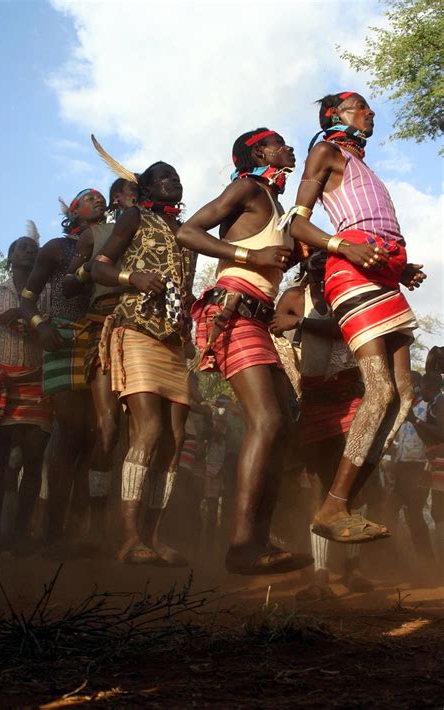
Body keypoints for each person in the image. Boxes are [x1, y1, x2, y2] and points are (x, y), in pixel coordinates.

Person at [285, 91, 426, 544]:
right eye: (360, 106)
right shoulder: (324, 152)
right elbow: (298, 224)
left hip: (383, 274)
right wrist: (345, 247)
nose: (370, 113)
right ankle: (334, 507)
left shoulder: (362, 165)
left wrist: (400, 267)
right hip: (351, 273)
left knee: (404, 396)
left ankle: (337, 503)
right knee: (380, 389)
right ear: (334, 115)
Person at [177, 128, 313, 575]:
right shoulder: (247, 187)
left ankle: (257, 538)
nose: (289, 147)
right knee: (269, 420)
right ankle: (242, 546)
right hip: (230, 310)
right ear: (258, 151)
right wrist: (250, 258)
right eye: (279, 142)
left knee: (284, 429)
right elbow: (187, 232)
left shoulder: (276, 207)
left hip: (253, 317)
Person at [91, 161, 196, 566]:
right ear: (148, 187)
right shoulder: (136, 216)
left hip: (174, 340)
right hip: (135, 329)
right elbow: (100, 265)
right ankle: (129, 537)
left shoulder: (187, 230)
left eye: (178, 175)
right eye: (165, 176)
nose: (176, 180)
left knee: (174, 439)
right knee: (149, 429)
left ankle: (154, 536)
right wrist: (132, 278)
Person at [271, 251, 372, 598]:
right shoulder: (296, 296)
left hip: (349, 395)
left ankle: (353, 570)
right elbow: (276, 327)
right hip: (313, 399)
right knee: (320, 485)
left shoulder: (345, 293)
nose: (323, 275)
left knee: (352, 483)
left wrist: (300, 324)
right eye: (318, 269)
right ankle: (320, 575)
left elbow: (339, 328)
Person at [20, 189, 107, 554]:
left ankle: (78, 531)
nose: (98, 201)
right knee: (69, 429)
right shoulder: (57, 248)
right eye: (89, 198)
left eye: (102, 198)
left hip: (99, 340)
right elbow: (27, 300)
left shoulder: (111, 249)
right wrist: (41, 327)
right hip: (62, 338)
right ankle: (53, 533)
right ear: (74, 211)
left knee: (94, 437)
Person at [62, 176, 138, 552]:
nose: (96, 201)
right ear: (117, 199)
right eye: (88, 198)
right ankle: (93, 524)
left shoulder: (154, 227)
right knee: (107, 430)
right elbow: (68, 286)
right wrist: (91, 269)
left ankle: (135, 533)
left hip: (148, 330)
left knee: (148, 432)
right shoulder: (95, 234)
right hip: (105, 328)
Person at [0, 236, 52, 553]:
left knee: (33, 462)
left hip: (38, 381)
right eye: (22, 247)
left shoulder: (47, 293)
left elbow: (53, 332)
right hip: (3, 384)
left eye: (33, 248)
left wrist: (24, 316)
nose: (30, 250)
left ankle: (20, 535)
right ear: (10, 256)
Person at [386, 372, 435, 577]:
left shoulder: (427, 408)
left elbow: (434, 436)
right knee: (389, 512)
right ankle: (394, 562)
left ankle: (428, 567)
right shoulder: (404, 410)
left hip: (420, 467)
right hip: (401, 467)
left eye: (411, 384)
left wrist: (414, 420)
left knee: (414, 515)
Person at [411, 371, 444, 577]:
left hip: (442, 462)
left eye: (423, 385)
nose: (420, 390)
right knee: (437, 513)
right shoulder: (434, 405)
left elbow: (441, 434)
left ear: (430, 387)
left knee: (439, 512)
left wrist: (416, 421)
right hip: (436, 462)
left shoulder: (441, 403)